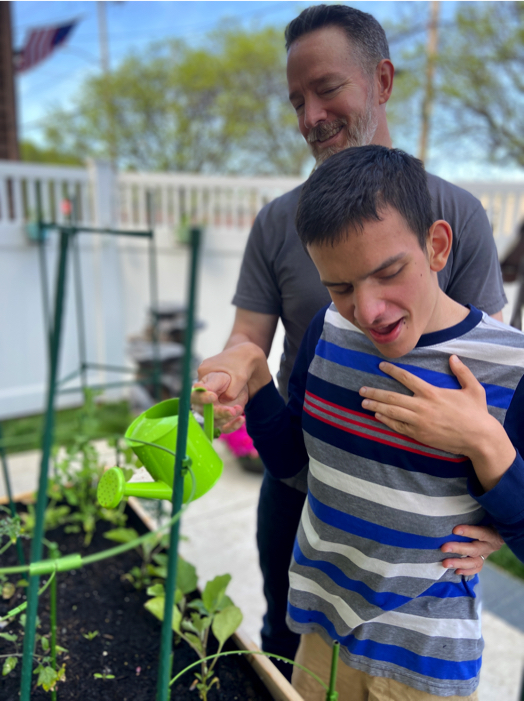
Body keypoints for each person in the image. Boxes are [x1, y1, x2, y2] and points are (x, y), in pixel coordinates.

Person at [193, 4, 506, 678]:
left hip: (414, 517)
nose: (310, 116)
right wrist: (233, 377)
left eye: (327, 88)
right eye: (297, 100)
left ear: (383, 80)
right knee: (286, 633)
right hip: (302, 480)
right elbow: (248, 342)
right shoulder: (280, 221)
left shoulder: (458, 213)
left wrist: (502, 509)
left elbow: (483, 377)